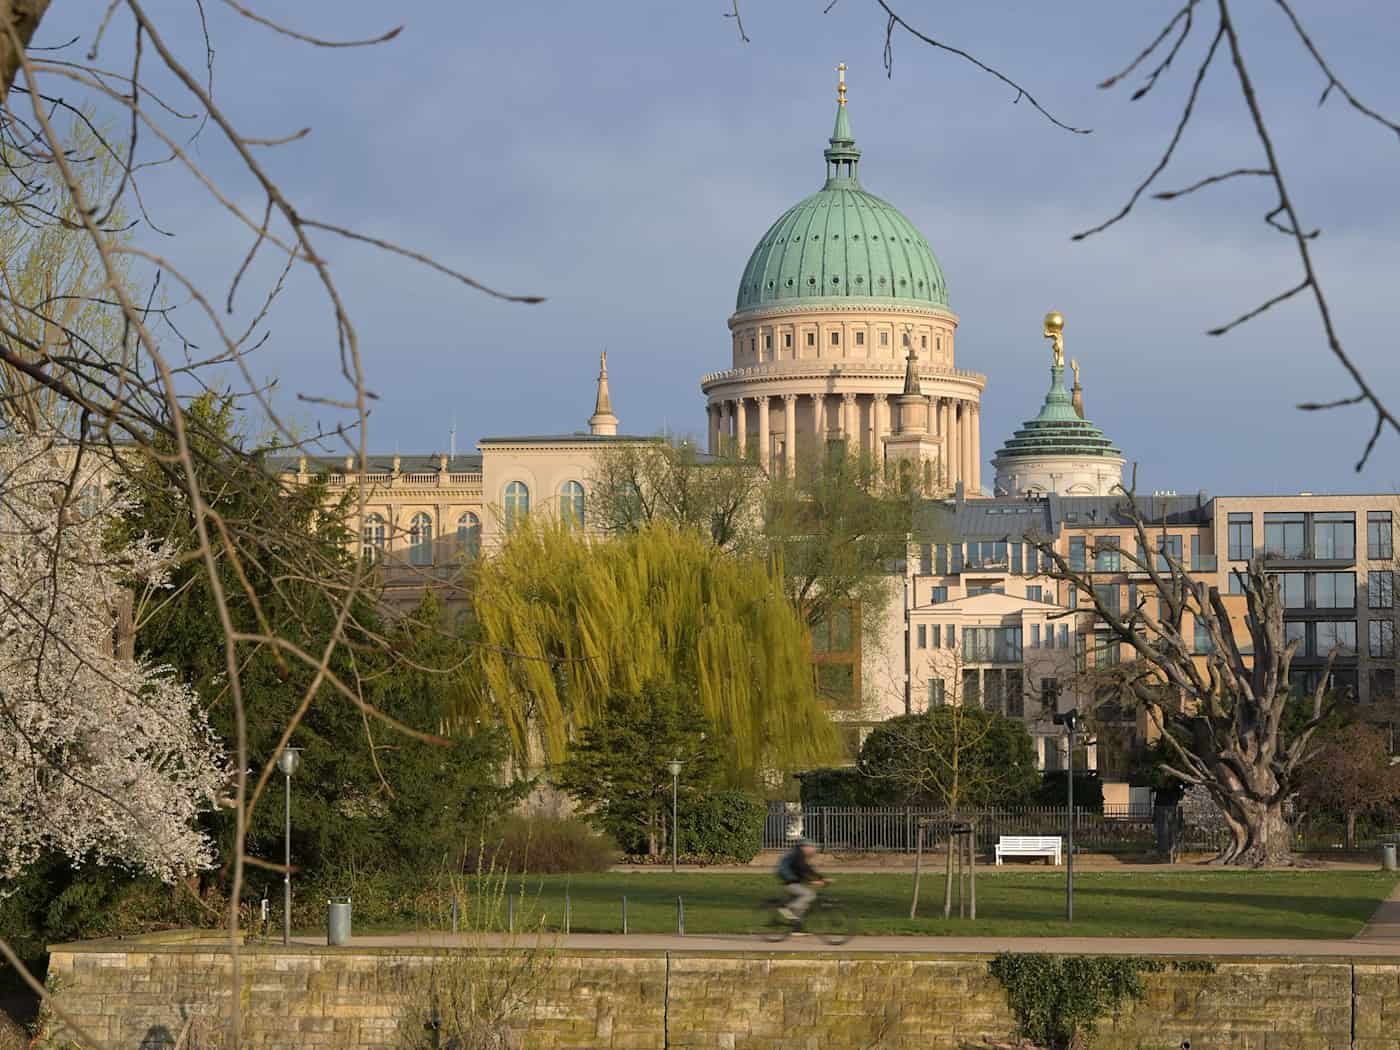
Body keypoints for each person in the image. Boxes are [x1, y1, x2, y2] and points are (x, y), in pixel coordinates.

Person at [775, 838, 827, 923]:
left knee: (803, 904)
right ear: (804, 847)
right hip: (789, 881)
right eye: (811, 847)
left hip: (792, 880)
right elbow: (801, 870)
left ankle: (796, 926)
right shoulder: (797, 855)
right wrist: (811, 881)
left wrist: (821, 878)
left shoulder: (799, 855)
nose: (813, 850)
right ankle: (786, 909)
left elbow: (808, 868)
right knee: (810, 895)